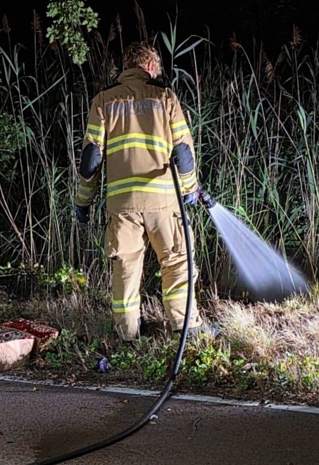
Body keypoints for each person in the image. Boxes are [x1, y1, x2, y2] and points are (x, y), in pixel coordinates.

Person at [74, 41, 214, 341]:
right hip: (163, 201)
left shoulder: (103, 101)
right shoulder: (164, 97)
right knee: (176, 261)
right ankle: (186, 328)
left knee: (125, 269)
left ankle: (128, 335)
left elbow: (91, 160)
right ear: (150, 67)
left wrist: (83, 202)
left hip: (122, 205)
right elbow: (184, 152)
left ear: (127, 67)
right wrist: (190, 189)